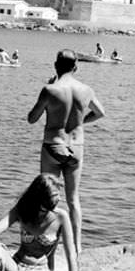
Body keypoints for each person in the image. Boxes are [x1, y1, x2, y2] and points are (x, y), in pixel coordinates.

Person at [27, 49, 106, 255]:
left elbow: (32, 118)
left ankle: (47, 242)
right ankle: (77, 246)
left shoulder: (50, 90)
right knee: (73, 199)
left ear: (55, 66)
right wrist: (81, 122)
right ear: (76, 67)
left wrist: (49, 93)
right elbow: (100, 113)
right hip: (76, 147)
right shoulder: (86, 89)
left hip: (53, 145)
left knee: (49, 197)